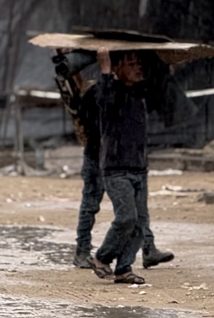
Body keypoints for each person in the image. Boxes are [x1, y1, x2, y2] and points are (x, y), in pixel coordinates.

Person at [73, 77, 174, 270]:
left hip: (121, 158)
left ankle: (146, 246)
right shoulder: (99, 93)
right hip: (100, 155)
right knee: (94, 204)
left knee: (138, 212)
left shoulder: (131, 92)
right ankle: (84, 250)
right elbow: (90, 121)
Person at [91, 48, 154, 285]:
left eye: (139, 62)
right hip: (116, 168)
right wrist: (105, 69)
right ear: (117, 69)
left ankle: (124, 268)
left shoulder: (139, 92)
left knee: (139, 222)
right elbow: (104, 99)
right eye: (130, 63)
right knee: (126, 216)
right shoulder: (109, 93)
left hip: (139, 167)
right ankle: (102, 257)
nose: (137, 67)